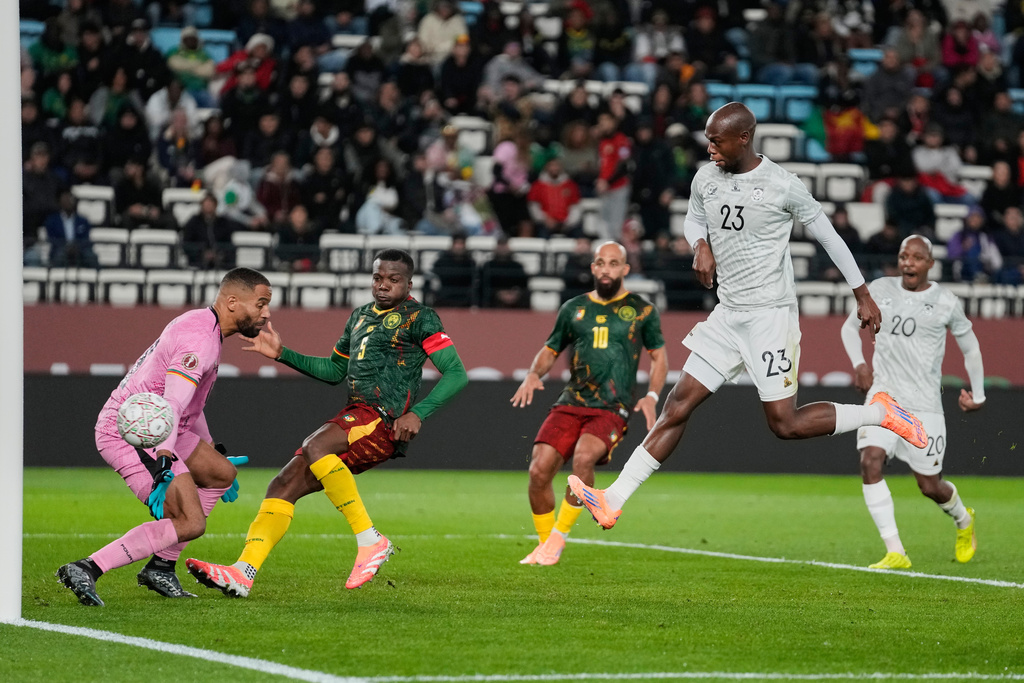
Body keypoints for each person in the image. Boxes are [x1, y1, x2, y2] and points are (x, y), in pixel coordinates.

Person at [568, 102, 928, 531]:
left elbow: (829, 237)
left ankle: (882, 414)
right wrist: (699, 242)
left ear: (743, 138)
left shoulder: (781, 185)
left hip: (769, 317)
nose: (709, 149)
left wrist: (862, 293)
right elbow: (692, 220)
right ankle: (613, 499)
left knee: (785, 424)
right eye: (707, 139)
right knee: (677, 405)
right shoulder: (706, 178)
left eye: (716, 141)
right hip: (728, 314)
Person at [185, 250, 469, 596]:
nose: (383, 286)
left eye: (393, 280)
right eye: (378, 278)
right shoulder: (360, 316)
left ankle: (370, 541)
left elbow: (456, 373)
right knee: (282, 484)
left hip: (383, 419)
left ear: (409, 283)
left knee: (315, 445)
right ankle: (243, 573)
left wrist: (418, 413)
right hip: (356, 414)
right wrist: (281, 354)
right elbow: (334, 371)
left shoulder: (420, 318)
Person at [55, 268, 273, 606]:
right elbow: (171, 404)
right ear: (232, 302)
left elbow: (190, 409)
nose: (266, 313)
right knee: (190, 521)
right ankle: (88, 567)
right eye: (260, 304)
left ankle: (160, 567)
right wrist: (165, 462)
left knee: (221, 473)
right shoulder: (200, 340)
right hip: (135, 433)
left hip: (164, 427)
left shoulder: (205, 325)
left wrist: (212, 449)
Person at [511, 241, 668, 566]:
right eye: (601, 263)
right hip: (571, 401)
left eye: (614, 263)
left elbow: (659, 358)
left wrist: (652, 395)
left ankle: (557, 539)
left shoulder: (642, 310)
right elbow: (551, 349)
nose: (606, 269)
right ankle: (545, 545)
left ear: (625, 269)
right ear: (593, 268)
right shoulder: (573, 308)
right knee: (538, 470)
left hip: (612, 407)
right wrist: (531, 373)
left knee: (583, 460)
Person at [840, 235, 983, 569]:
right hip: (884, 396)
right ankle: (896, 551)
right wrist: (859, 364)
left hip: (924, 405)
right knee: (870, 461)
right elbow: (849, 329)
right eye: (904, 256)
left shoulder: (946, 301)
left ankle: (964, 520)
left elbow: (971, 347)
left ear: (930, 264)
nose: (908, 262)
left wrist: (979, 394)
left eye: (917, 257)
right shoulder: (879, 289)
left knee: (929, 486)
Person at [43, 188, 99, 268]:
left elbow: (86, 239)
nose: (68, 201)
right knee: (59, 255)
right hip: (60, 249)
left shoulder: (83, 221)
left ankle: (96, 278)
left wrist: (76, 247)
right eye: (65, 199)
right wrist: (66, 247)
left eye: (70, 198)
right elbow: (52, 239)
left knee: (91, 256)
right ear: (59, 202)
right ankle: (55, 279)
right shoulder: (52, 221)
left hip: (80, 249)